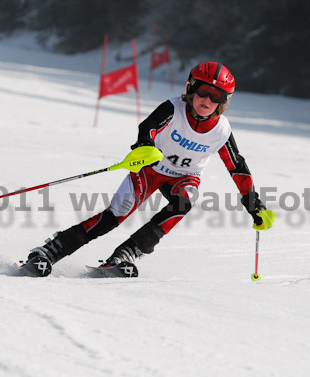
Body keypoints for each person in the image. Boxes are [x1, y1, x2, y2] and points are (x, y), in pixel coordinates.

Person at [22, 62, 275, 277]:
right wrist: (145, 145)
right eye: (204, 92)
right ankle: (50, 251)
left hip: (184, 177)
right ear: (191, 89)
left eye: (216, 96)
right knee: (115, 216)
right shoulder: (173, 108)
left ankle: (127, 254)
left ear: (224, 102)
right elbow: (150, 125)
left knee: (186, 201)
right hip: (151, 169)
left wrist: (253, 203)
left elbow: (237, 166)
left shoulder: (221, 130)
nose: (207, 100)